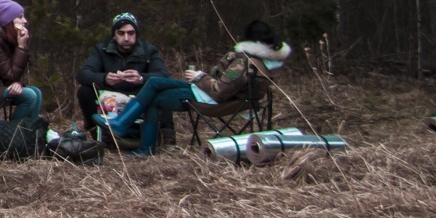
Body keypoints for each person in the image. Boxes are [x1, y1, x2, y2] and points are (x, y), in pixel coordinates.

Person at [96, 19, 293, 154]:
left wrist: (200, 77)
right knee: (154, 86)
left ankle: (125, 128)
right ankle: (132, 136)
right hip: (214, 96)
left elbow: (220, 90)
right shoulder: (264, 61)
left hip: (210, 99)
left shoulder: (244, 62)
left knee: (155, 85)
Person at [77, 12, 169, 130]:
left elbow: (163, 75)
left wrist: (141, 78)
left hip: (139, 94)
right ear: (114, 35)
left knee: (164, 89)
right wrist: (104, 78)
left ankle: (167, 135)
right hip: (109, 93)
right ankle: (93, 128)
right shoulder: (102, 50)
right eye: (121, 33)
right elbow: (83, 74)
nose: (126, 38)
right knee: (84, 91)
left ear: (136, 34)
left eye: (131, 33)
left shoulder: (149, 51)